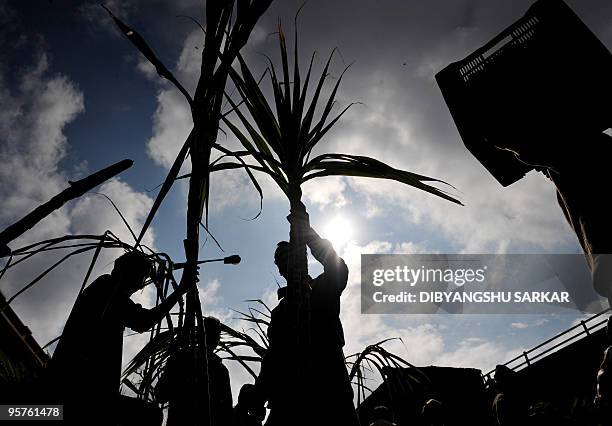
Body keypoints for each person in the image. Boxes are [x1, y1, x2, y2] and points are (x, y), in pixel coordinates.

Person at [46, 251, 191, 425]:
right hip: (80, 393)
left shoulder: (106, 290)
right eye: (141, 277)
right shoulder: (107, 287)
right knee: (149, 415)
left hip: (79, 391)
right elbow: (143, 321)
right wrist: (181, 290)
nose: (140, 285)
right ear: (129, 273)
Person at [252, 201, 359, 426]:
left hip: (329, 388)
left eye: (288, 256)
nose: (285, 264)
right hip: (290, 396)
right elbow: (273, 355)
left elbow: (336, 266)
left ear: (300, 257)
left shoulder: (322, 291)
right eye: (280, 261)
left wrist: (307, 233)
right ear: (279, 269)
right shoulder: (281, 312)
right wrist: (260, 395)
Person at [157, 317, 233, 426]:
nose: (216, 339)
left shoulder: (180, 358)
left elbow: (161, 394)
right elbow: (226, 413)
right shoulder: (219, 370)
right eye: (215, 335)